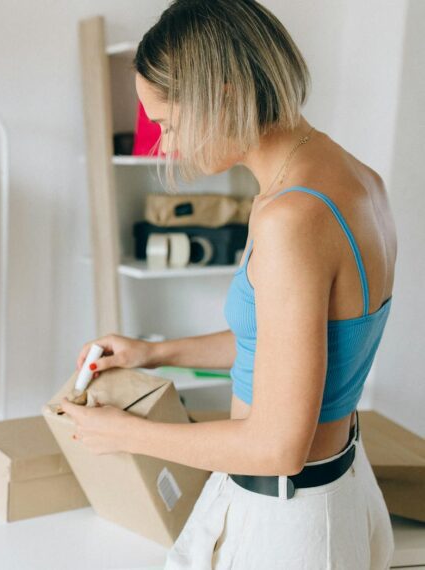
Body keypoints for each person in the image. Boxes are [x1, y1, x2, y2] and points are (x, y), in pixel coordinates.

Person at [58, 1, 397, 568]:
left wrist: (124, 435)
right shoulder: (355, 179)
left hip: (287, 521)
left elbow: (276, 448)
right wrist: (155, 352)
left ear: (223, 95)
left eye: (168, 124)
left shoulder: (291, 216)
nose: (166, 144)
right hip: (332, 490)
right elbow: (282, 344)